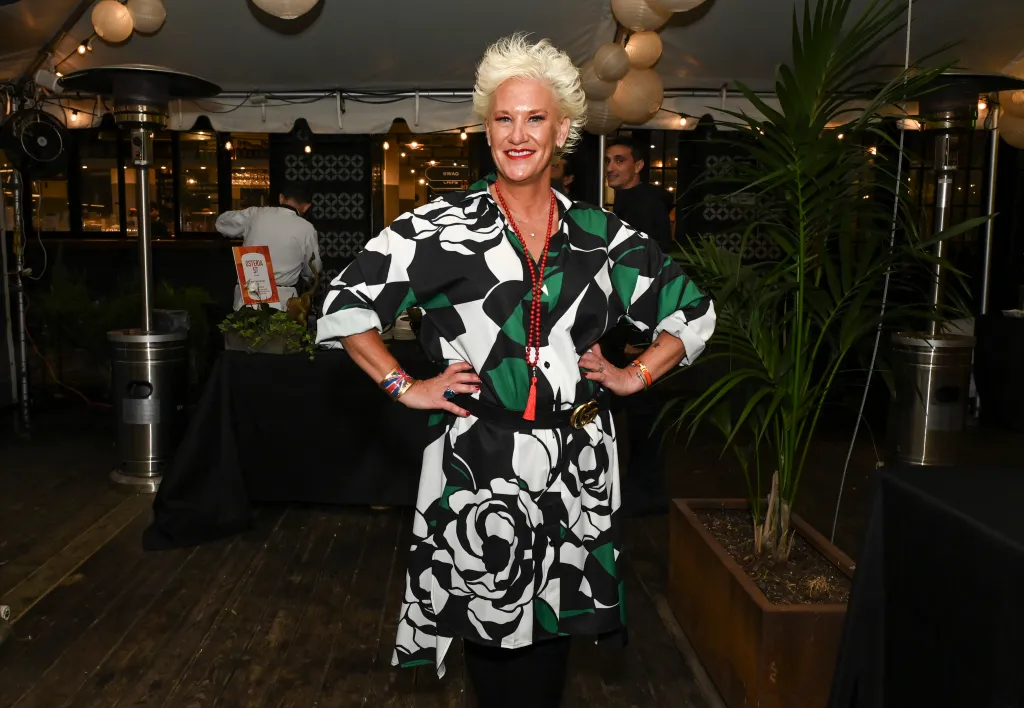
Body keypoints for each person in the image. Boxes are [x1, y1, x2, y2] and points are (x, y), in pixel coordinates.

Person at [316, 34, 715, 707]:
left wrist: (632, 376)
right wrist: (404, 386)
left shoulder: (603, 238)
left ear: (563, 129)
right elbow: (343, 306)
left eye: (535, 118)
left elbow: (693, 315)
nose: (518, 134)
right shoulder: (441, 229)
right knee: (491, 629)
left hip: (574, 463)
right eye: (504, 118)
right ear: (487, 128)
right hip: (479, 459)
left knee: (553, 636)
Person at [215, 182, 322, 311]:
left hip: (248, 297)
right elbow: (314, 269)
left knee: (244, 330)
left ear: (281, 198)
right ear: (306, 207)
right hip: (283, 301)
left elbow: (221, 223)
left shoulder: (256, 214)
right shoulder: (307, 229)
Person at [604, 137, 674, 253]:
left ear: (638, 166)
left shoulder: (647, 203)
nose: (609, 168)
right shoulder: (627, 196)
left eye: (619, 161)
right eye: (607, 161)